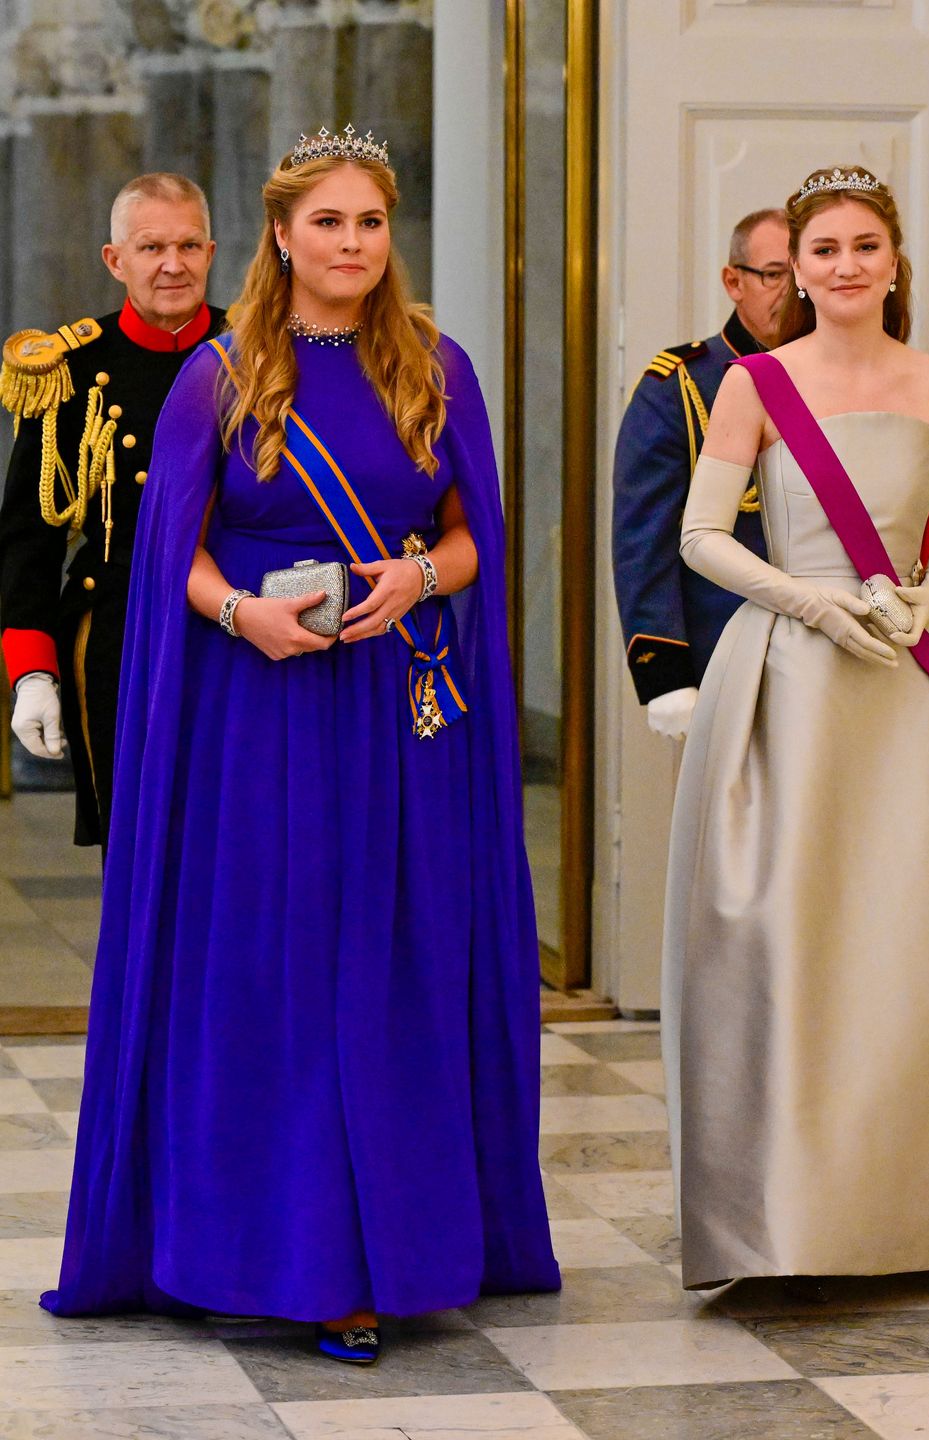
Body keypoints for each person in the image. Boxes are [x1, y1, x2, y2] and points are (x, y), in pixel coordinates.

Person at [41, 127, 560, 1360]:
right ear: (280, 235)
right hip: (255, 707)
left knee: (391, 963)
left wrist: (422, 574)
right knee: (276, 968)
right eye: (327, 223)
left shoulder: (441, 367)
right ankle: (283, 1250)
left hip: (397, 708)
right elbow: (174, 559)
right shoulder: (217, 376)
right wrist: (247, 613)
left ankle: (397, 1249)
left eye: (370, 223)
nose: (351, 244)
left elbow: (473, 534)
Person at [662, 167, 929, 1290]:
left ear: (893, 257)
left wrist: (927, 598)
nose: (842, 266)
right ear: (796, 266)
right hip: (794, 676)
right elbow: (697, 536)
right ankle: (786, 1218)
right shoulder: (754, 385)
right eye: (821, 249)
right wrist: (807, 598)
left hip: (905, 679)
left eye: (863, 246)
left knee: (914, 937)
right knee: (794, 930)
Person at [0, 173, 224, 848]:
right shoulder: (68, 369)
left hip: (242, 629)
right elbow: (26, 539)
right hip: (118, 632)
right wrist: (33, 672)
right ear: (115, 259)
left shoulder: (259, 356)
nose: (173, 265)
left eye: (189, 245)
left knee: (237, 840)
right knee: (136, 843)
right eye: (152, 247)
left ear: (212, 252)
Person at [612, 208, 788, 740]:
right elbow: (645, 539)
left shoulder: (848, 377)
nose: (794, 290)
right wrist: (663, 671)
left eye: (803, 273)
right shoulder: (680, 383)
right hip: (725, 648)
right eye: (775, 273)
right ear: (734, 280)